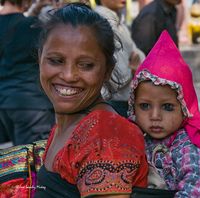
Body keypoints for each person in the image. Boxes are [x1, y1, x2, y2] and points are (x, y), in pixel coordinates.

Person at [34, 3, 148, 197]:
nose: (69, 75)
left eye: (86, 65)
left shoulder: (105, 137)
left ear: (107, 71)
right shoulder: (70, 123)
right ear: (40, 58)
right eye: (56, 61)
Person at [128, 30, 200, 197]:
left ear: (185, 108)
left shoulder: (189, 148)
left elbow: (196, 190)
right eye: (145, 106)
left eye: (167, 107)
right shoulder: (135, 138)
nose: (155, 116)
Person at [0, 0, 55, 145]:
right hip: (32, 104)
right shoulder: (32, 25)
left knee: (15, 160)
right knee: (33, 160)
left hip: (4, 102)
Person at [94, 0, 145, 118]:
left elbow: (139, 56)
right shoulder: (103, 22)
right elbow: (117, 76)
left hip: (122, 101)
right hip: (112, 102)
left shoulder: (118, 20)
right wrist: (133, 70)